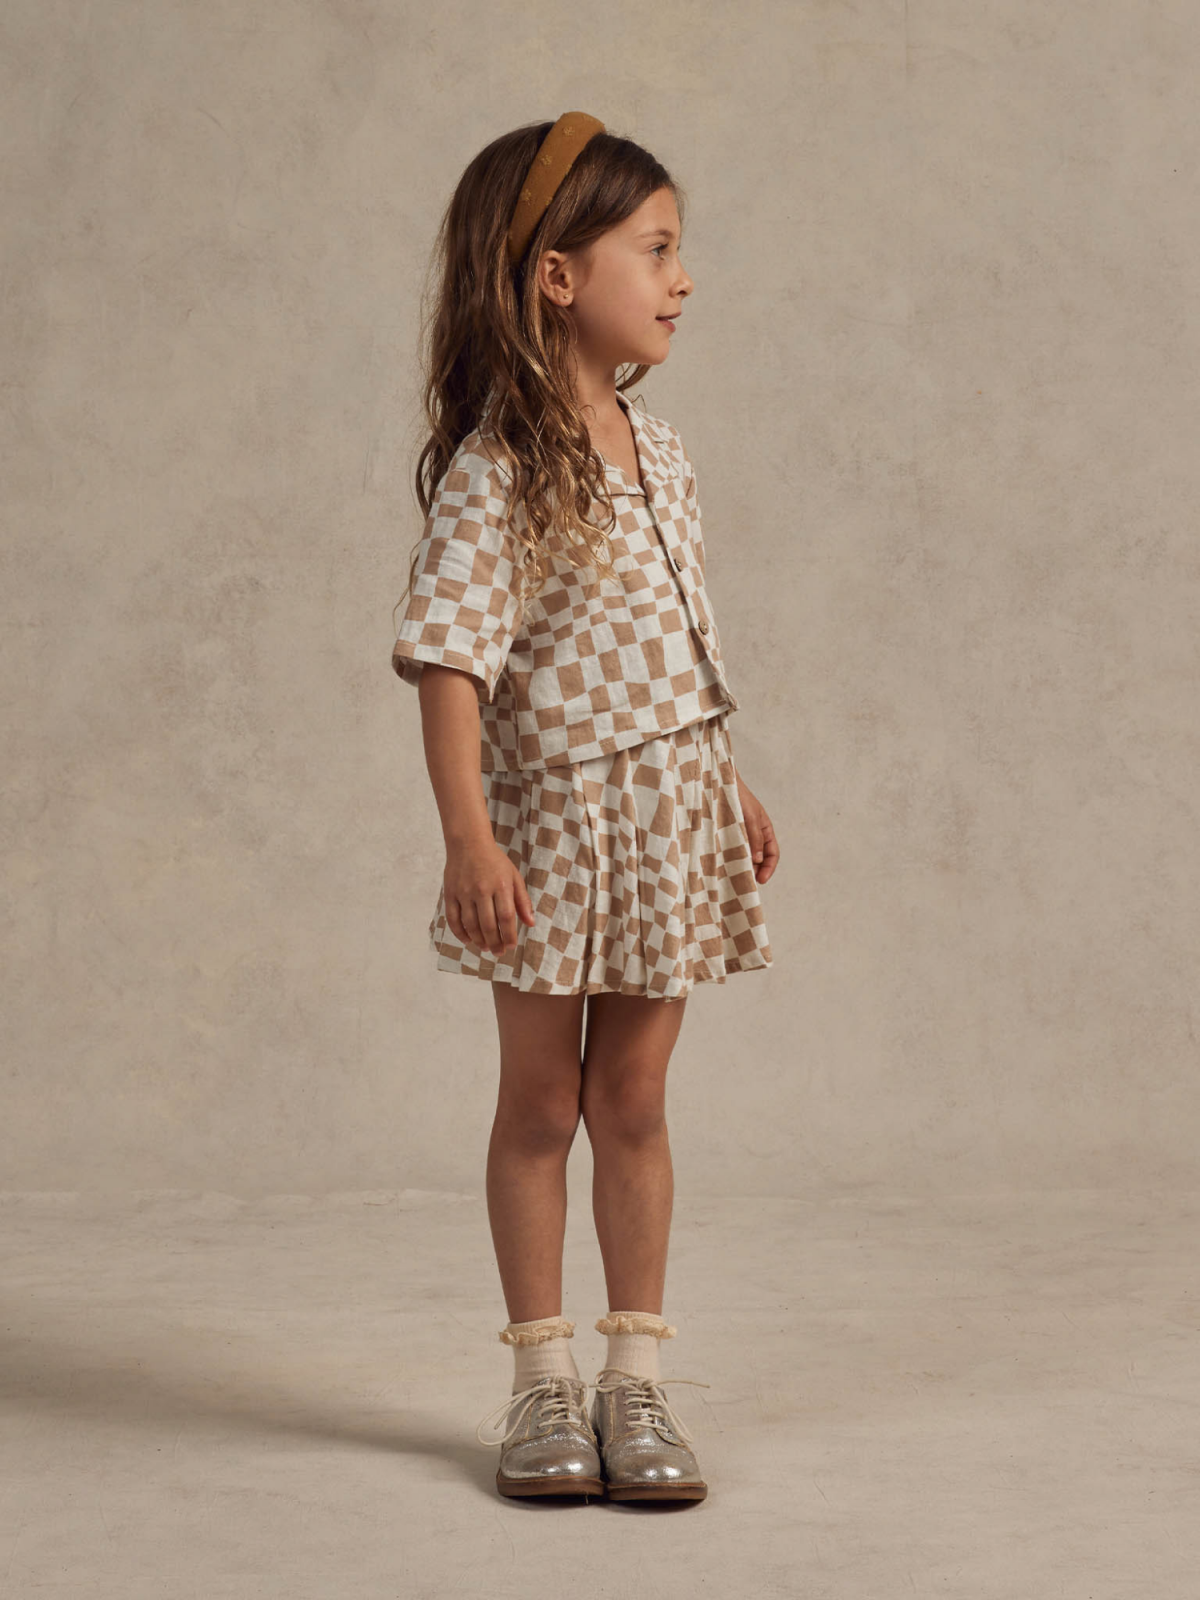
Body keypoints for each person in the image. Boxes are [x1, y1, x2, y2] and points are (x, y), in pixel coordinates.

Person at [389, 112, 779, 1503]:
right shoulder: (504, 464)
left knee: (636, 1098)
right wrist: (468, 839)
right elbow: (447, 654)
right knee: (542, 1098)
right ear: (558, 275)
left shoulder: (659, 453)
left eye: (682, 254)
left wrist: (724, 780)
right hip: (551, 827)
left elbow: (673, 636)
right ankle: (540, 1384)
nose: (681, 279)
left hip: (670, 808)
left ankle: (638, 1386)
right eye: (656, 250)